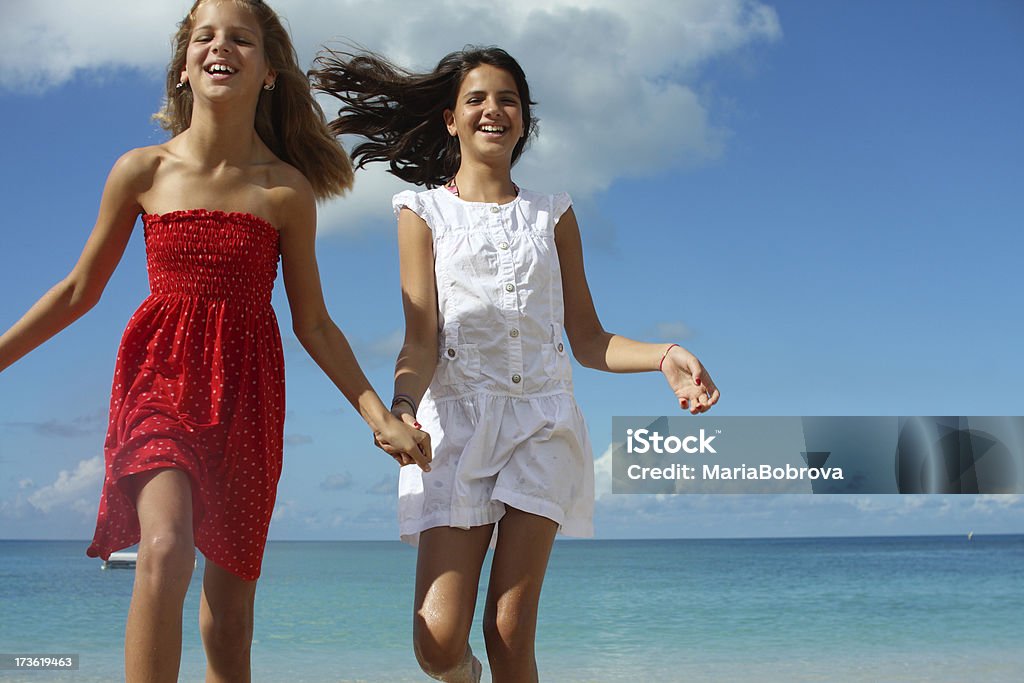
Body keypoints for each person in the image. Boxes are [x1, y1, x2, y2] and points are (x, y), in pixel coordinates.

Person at [0, 2, 430, 681]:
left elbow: (313, 322)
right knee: (165, 548)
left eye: (240, 38)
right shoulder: (142, 171)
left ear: (267, 72)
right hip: (158, 380)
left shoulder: (285, 191)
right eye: (204, 36)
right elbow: (79, 289)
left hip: (247, 399)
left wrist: (380, 416)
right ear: (183, 67)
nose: (218, 46)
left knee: (228, 627)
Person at [312, 46, 720, 682]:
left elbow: (587, 339)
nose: (492, 110)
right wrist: (399, 409)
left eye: (508, 100)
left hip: (542, 426)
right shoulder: (421, 213)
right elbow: (420, 340)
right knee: (438, 645)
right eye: (476, 99)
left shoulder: (551, 213)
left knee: (508, 635)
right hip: (452, 427)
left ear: (524, 120)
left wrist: (665, 356)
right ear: (451, 119)